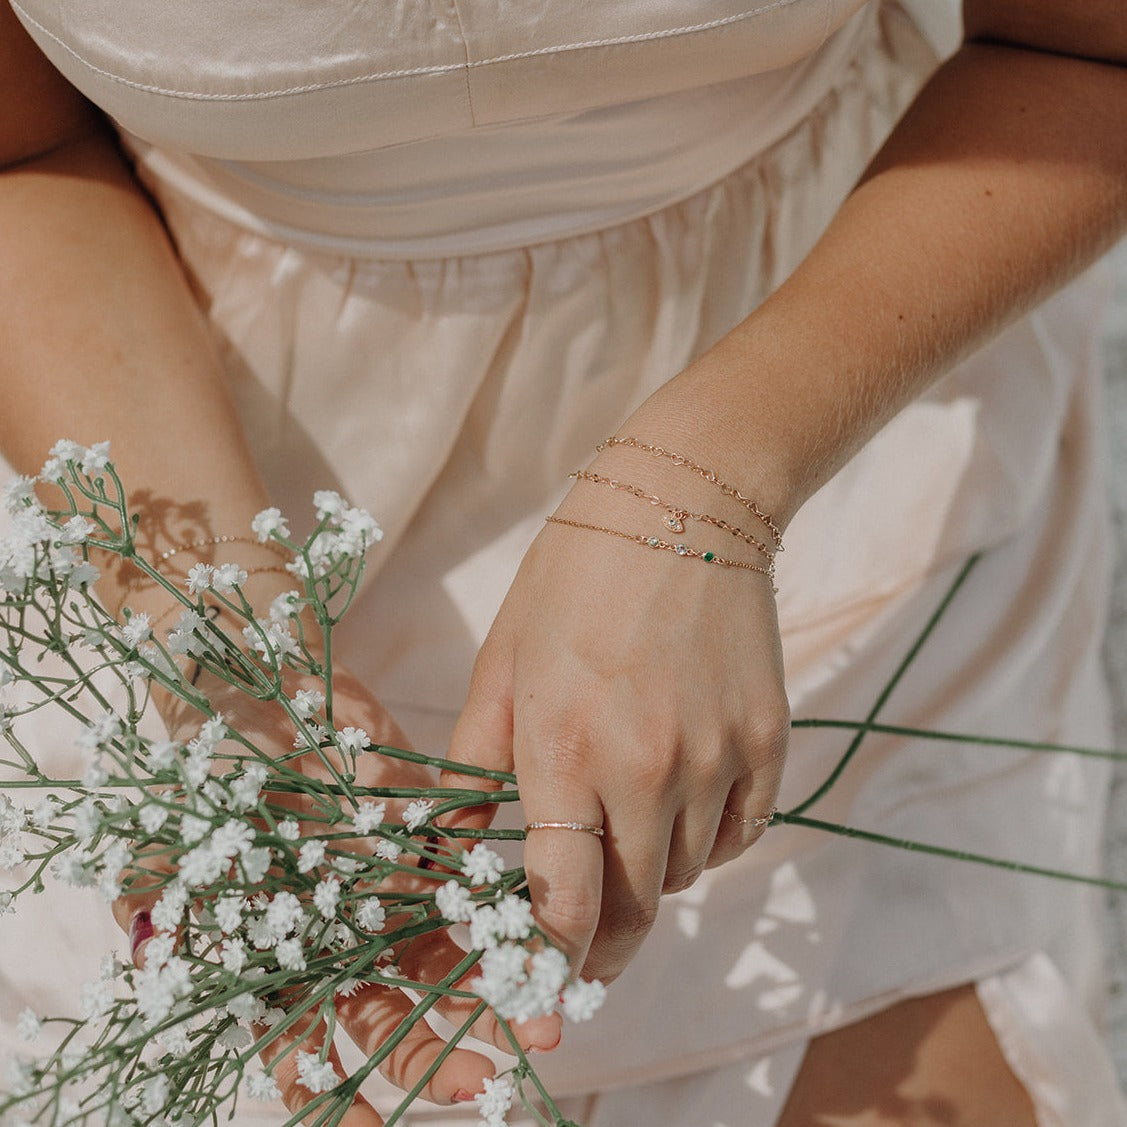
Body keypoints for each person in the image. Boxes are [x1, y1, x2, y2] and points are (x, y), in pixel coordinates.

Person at [1, 0, 1126, 1123]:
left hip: (829, 404)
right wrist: (226, 658)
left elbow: (1079, 52)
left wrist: (701, 494)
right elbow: (24, 152)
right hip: (190, 456)